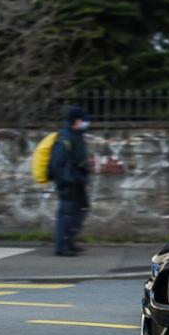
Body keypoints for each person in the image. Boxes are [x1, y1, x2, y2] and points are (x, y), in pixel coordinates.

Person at [50, 106, 92, 257]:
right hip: (68, 181)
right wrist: (65, 179)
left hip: (78, 180)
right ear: (76, 120)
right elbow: (57, 163)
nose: (86, 122)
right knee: (66, 212)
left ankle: (69, 240)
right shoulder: (65, 137)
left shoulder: (78, 135)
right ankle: (62, 246)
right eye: (84, 119)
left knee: (81, 209)